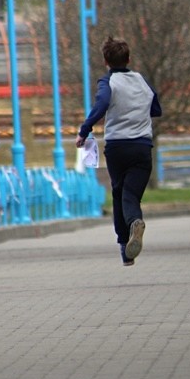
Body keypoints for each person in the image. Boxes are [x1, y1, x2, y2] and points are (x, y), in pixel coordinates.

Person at [76, 36, 162, 267]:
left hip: (117, 147)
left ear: (106, 61)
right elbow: (156, 107)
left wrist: (84, 130)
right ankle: (134, 223)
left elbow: (102, 103)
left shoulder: (108, 82)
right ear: (129, 59)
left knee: (118, 193)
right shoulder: (141, 80)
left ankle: (125, 246)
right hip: (142, 147)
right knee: (131, 194)